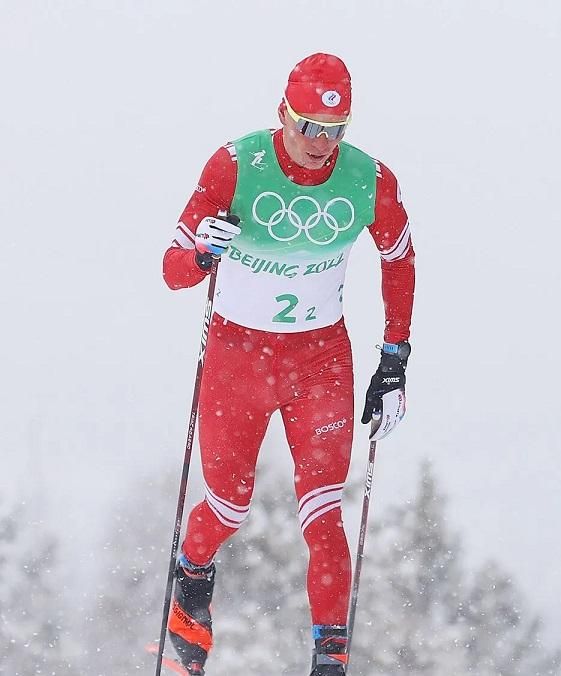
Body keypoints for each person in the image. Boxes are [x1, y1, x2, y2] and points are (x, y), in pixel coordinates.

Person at [161, 53, 416, 676]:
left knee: (323, 512)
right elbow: (171, 269)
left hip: (320, 359)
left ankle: (329, 656)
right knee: (228, 507)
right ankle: (192, 573)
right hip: (237, 357)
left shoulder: (369, 180)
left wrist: (395, 355)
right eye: (307, 126)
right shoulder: (234, 165)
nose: (319, 144)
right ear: (283, 114)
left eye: (334, 131)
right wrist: (202, 256)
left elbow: (400, 259)